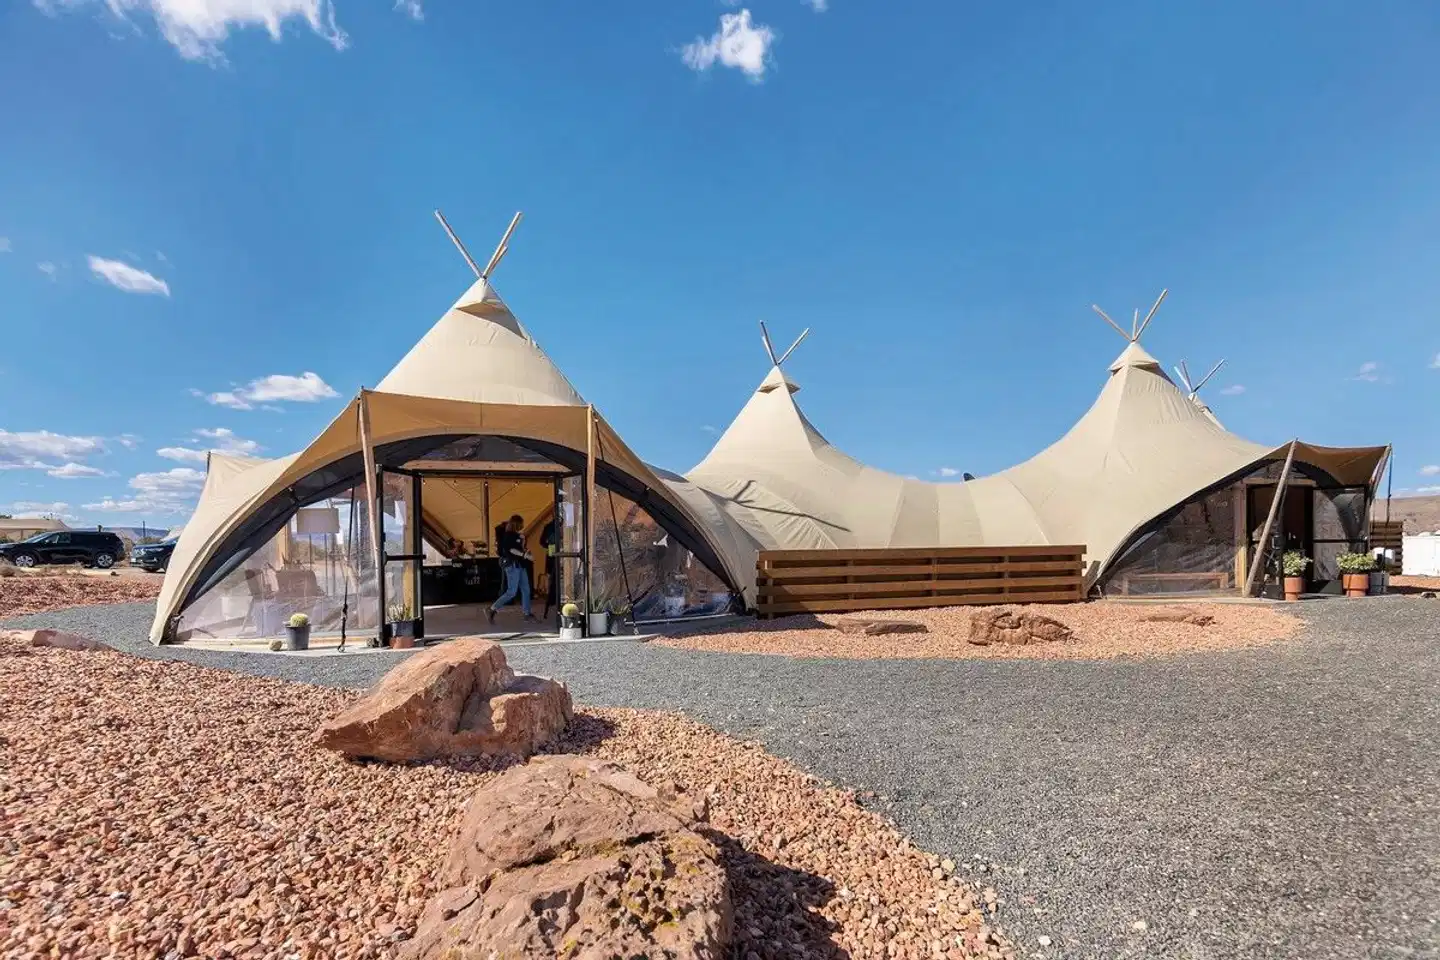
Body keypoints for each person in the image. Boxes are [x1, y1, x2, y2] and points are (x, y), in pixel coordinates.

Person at [488, 515, 535, 624]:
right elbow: (511, 549)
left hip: (520, 565)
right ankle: (492, 608)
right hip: (513, 565)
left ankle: (527, 613)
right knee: (511, 592)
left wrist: (523, 545)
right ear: (517, 524)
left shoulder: (516, 535)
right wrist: (525, 555)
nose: (523, 526)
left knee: (526, 589)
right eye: (521, 524)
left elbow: (518, 548)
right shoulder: (509, 535)